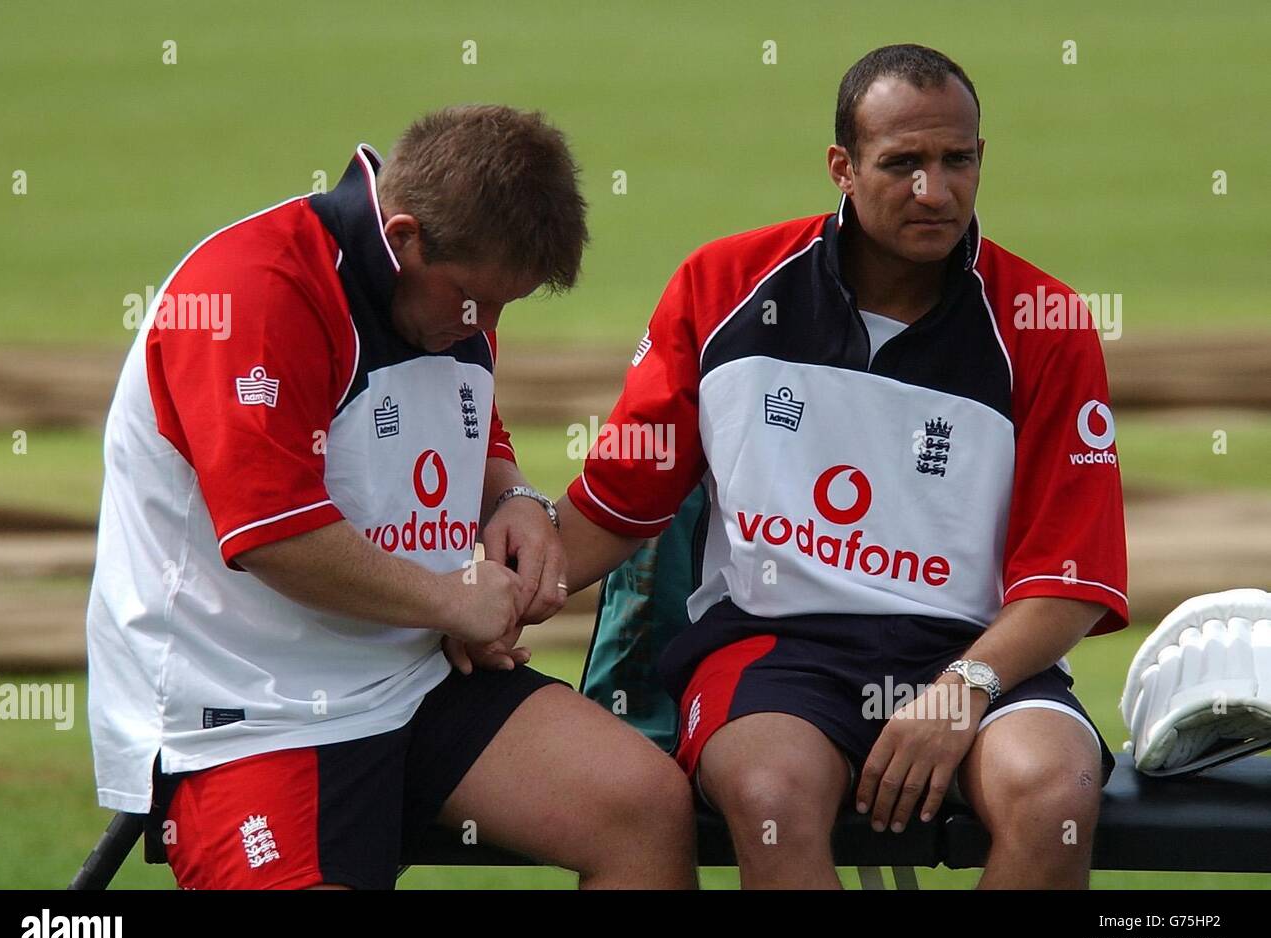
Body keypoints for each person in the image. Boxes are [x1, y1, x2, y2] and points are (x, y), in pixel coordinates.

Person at [555, 45, 1128, 889]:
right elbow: (618, 501)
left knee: (1055, 795)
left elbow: (1070, 578)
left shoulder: (1044, 323)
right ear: (843, 167)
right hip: (773, 648)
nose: (935, 192)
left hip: (977, 653)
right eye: (902, 164)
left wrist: (965, 684)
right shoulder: (724, 286)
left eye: (956, 160)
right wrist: (483, 597)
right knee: (770, 793)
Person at [86, 105, 695, 890]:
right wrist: (451, 601)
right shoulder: (254, 293)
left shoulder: (449, 291)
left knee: (644, 806)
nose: (488, 324)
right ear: (402, 235)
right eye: (479, 299)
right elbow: (275, 538)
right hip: (249, 714)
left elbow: (464, 421)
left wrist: (514, 499)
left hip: (420, 676)